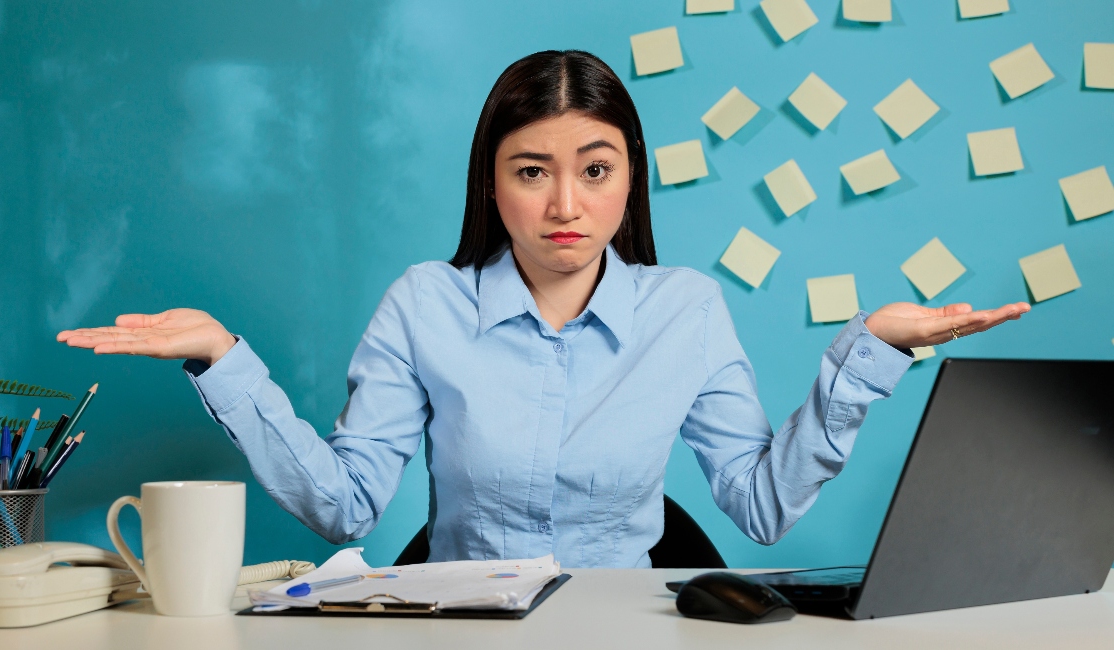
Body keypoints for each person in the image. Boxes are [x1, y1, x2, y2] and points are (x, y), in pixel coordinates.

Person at [57, 51, 1030, 568]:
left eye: (594, 171)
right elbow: (344, 504)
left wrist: (868, 354)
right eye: (533, 172)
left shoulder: (684, 309)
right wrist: (223, 358)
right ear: (493, 185)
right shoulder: (424, 303)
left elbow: (762, 506)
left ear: (628, 182)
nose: (565, 204)